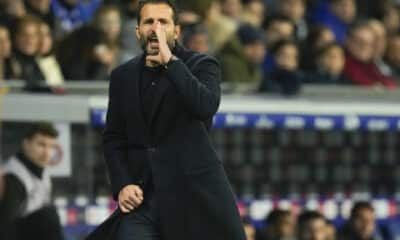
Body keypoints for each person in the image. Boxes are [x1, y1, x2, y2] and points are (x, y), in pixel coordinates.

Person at [87, 0, 246, 240]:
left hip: (193, 197)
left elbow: (205, 106)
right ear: (138, 31)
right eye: (149, 22)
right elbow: (113, 138)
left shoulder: (202, 65)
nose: (156, 28)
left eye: (163, 22)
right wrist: (123, 184)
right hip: (144, 199)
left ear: (177, 30)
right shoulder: (123, 75)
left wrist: (171, 63)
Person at [0, 122, 64, 240]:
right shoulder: (14, 176)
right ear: (26, 144)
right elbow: (5, 226)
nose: (46, 153)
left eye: (51, 147)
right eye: (41, 145)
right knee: (48, 217)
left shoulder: (42, 173)